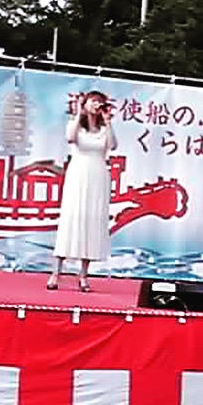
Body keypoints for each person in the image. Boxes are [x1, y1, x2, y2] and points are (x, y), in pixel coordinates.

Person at [47, 90, 117, 292]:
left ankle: (84, 275)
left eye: (99, 102)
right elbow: (70, 138)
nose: (96, 105)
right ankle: (56, 273)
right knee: (71, 220)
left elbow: (112, 145)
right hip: (78, 173)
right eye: (93, 101)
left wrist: (108, 122)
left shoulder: (103, 127)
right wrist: (78, 112)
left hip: (98, 174)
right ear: (85, 103)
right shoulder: (75, 123)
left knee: (92, 223)